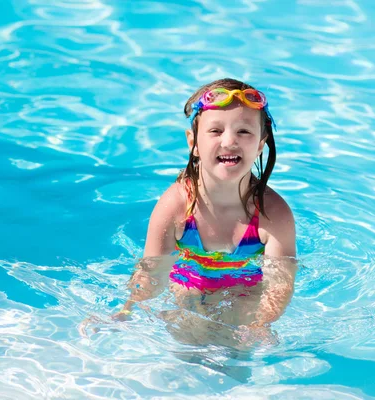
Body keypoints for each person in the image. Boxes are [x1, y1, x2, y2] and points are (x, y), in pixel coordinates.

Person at [114, 78, 297, 347]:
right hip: (188, 287)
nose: (230, 141)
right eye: (216, 131)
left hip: (244, 293)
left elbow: (280, 284)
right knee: (186, 343)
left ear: (260, 144)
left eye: (244, 131)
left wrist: (259, 324)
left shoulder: (273, 215)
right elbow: (151, 272)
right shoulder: (175, 207)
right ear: (194, 143)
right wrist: (127, 309)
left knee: (238, 354)